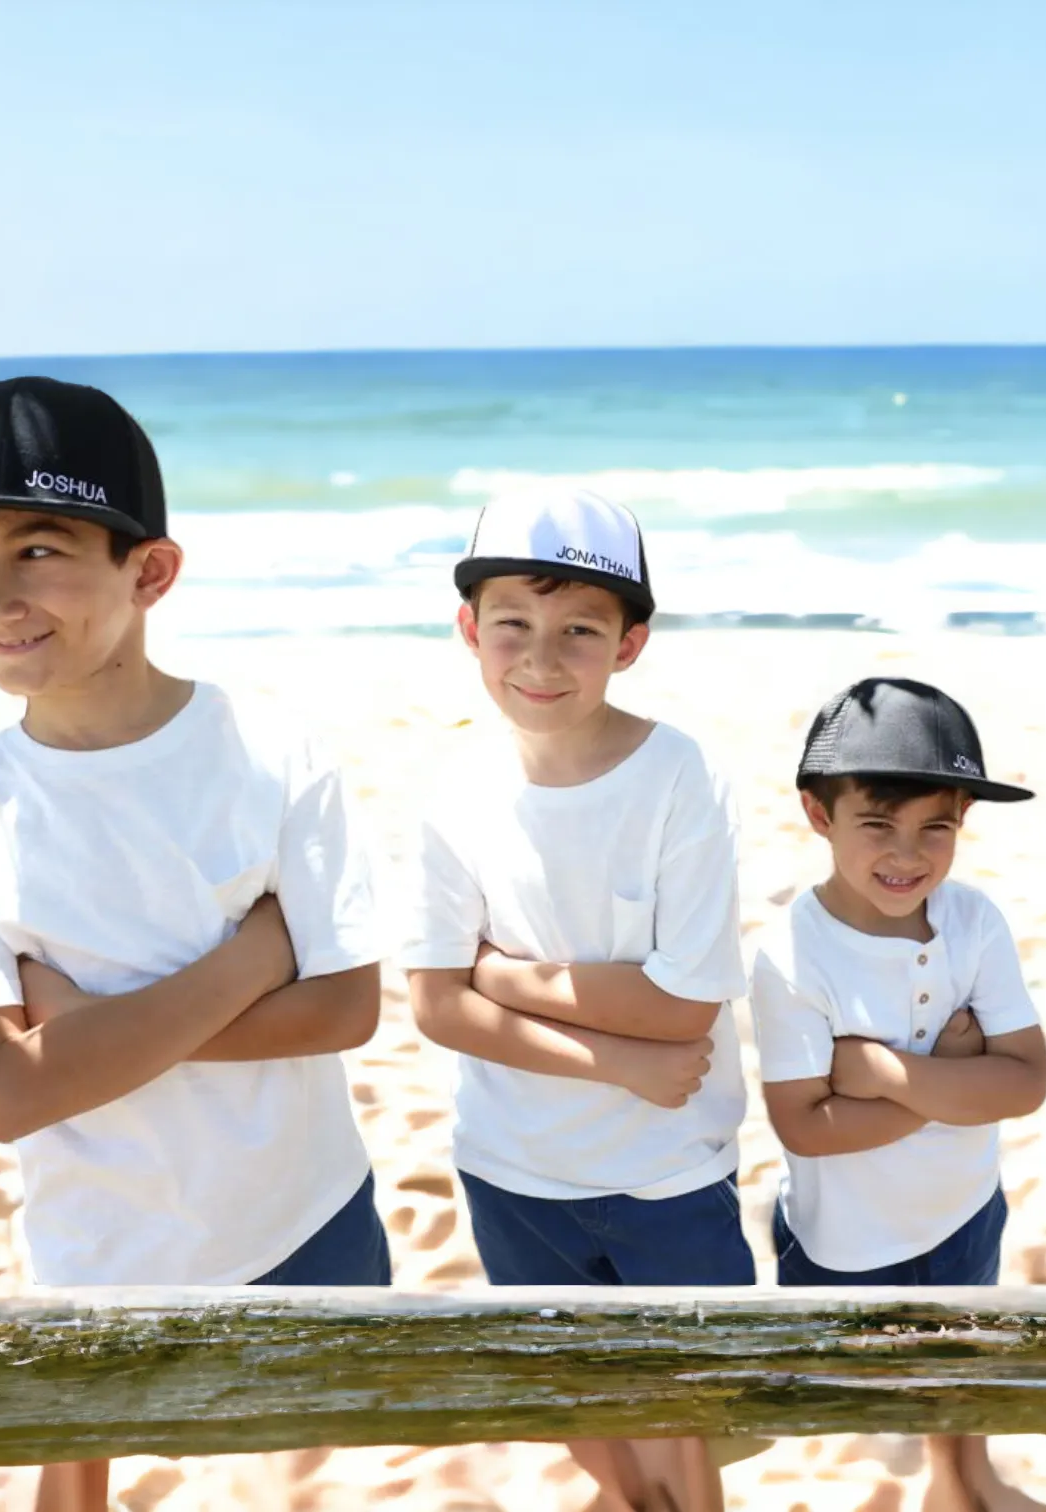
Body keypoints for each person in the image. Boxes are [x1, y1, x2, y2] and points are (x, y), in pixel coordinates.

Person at [0, 377, 389, 1512]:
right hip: (98, 1246)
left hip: (302, 1220)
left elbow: (346, 1011)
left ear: (150, 572)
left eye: (38, 548)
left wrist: (84, 1030)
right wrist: (250, 962)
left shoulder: (275, 755)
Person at [401, 490, 752, 1512]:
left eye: (580, 632)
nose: (541, 660)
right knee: (580, 1403)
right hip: (511, 1167)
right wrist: (619, 1060)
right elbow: (432, 1006)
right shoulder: (454, 793)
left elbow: (686, 1011)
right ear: (470, 629)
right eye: (512, 625)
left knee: (691, 1416)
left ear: (631, 644)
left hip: (667, 1170)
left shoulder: (679, 776)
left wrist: (500, 977)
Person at [750, 676, 1046, 1512]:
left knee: (963, 1363)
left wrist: (887, 1075)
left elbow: (1026, 1083)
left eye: (936, 829)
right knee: (868, 1394)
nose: (907, 855)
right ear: (820, 814)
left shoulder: (974, 922)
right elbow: (807, 1127)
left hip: (963, 1209)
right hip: (847, 1237)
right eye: (877, 824)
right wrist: (957, 1079)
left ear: (963, 822)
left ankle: (966, 1484)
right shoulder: (792, 952)